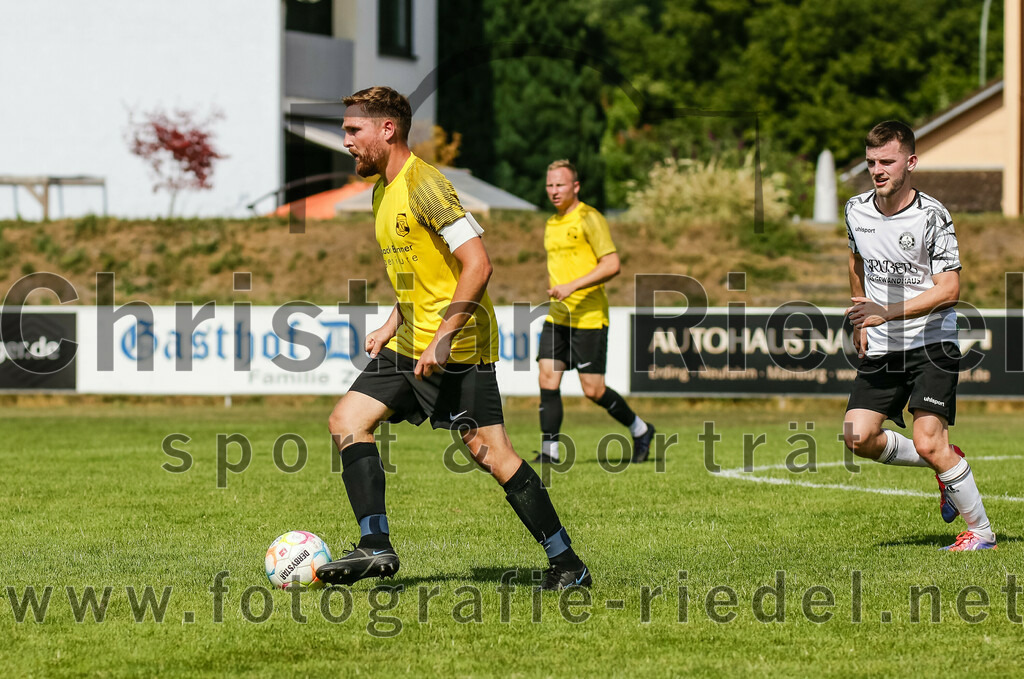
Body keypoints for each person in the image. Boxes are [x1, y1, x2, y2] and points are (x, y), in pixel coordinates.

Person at [316, 87, 592, 589]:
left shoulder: (425, 184)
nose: (346, 142)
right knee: (346, 420)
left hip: (459, 346)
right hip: (411, 342)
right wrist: (392, 323)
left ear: (387, 129)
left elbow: (478, 265)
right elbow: (424, 276)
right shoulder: (382, 190)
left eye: (353, 131)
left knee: (490, 454)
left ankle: (568, 564)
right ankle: (375, 546)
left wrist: (443, 337)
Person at [843, 120, 996, 551]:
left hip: (931, 344)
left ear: (910, 162)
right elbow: (855, 259)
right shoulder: (855, 208)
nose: (877, 169)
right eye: (871, 161)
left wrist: (884, 313)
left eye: (886, 161)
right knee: (858, 437)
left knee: (929, 439)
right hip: (883, 346)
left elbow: (949, 290)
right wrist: (860, 315)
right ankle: (947, 465)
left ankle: (982, 534)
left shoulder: (932, 215)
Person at [533, 160, 655, 465]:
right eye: (550, 185)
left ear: (575, 187)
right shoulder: (551, 224)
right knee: (547, 377)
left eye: (560, 185)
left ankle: (640, 429)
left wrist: (572, 286)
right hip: (558, 316)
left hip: (588, 317)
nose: (554, 191)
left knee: (593, 389)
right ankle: (550, 451)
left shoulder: (590, 218)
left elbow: (612, 264)